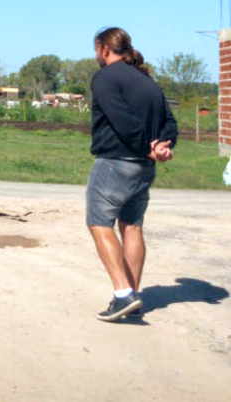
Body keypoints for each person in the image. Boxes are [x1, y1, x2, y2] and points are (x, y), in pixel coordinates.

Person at [86, 27, 176, 322]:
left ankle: (123, 293)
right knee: (132, 227)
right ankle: (131, 297)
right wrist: (163, 146)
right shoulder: (147, 81)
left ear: (102, 47)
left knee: (99, 224)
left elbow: (121, 121)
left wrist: (146, 148)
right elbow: (169, 122)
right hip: (143, 169)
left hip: (115, 163)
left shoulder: (105, 78)